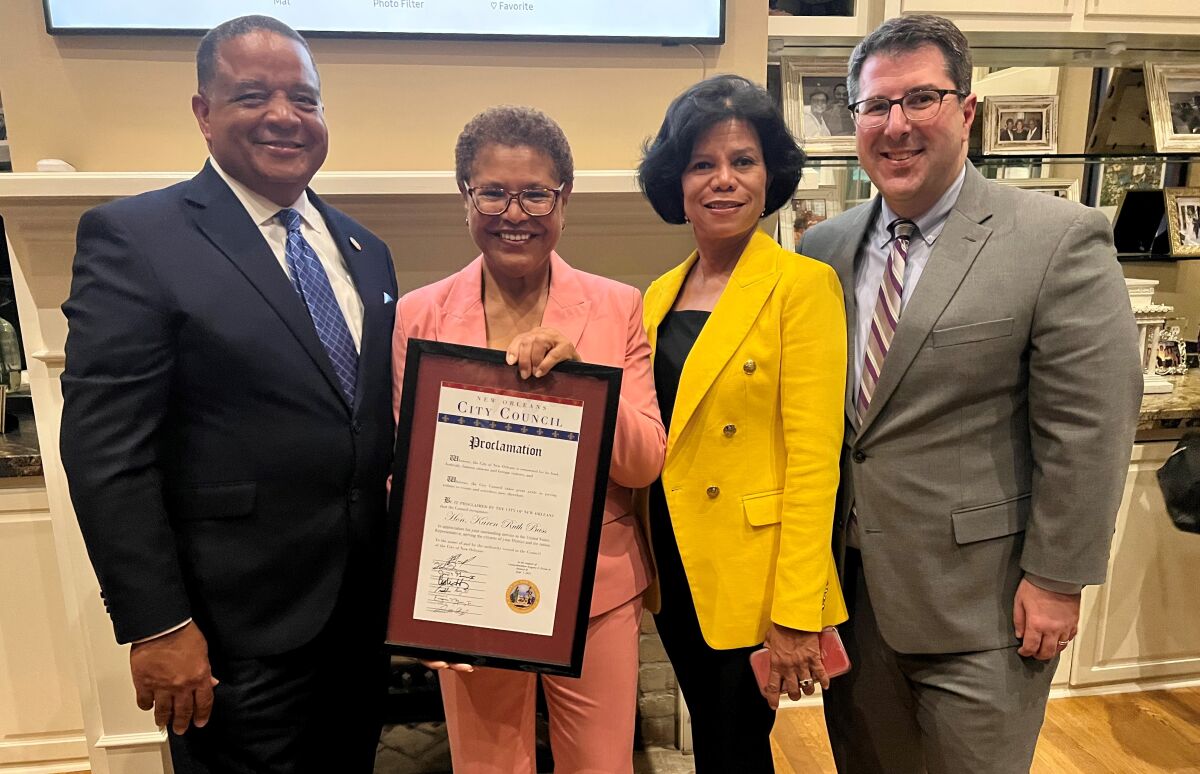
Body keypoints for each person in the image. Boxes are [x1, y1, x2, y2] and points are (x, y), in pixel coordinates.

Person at [797, 15, 1142, 773]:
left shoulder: (1056, 238)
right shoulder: (824, 247)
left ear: (968, 110)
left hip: (986, 610)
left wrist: (1057, 579)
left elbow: (1090, 425)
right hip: (853, 602)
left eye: (921, 99)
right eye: (875, 106)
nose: (896, 126)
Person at [59, 15, 398, 773]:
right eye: (253, 95)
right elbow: (106, 453)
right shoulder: (138, 239)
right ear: (203, 112)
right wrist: (157, 624)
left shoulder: (365, 253)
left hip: (358, 630)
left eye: (304, 99)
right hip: (229, 641)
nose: (285, 115)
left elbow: (368, 432)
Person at [393, 106, 665, 773]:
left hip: (595, 591)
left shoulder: (616, 306)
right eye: (492, 191)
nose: (514, 212)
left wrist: (581, 381)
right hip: (470, 594)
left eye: (536, 193)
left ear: (563, 200)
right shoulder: (419, 315)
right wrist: (425, 603)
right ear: (466, 197)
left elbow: (644, 462)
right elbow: (407, 478)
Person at [638, 74, 848, 773]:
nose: (723, 180)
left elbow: (818, 463)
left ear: (770, 175)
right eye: (703, 164)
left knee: (734, 751)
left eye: (743, 161)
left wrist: (797, 611)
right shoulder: (658, 295)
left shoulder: (802, 287)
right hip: (672, 568)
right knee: (715, 739)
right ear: (677, 179)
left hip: (754, 579)